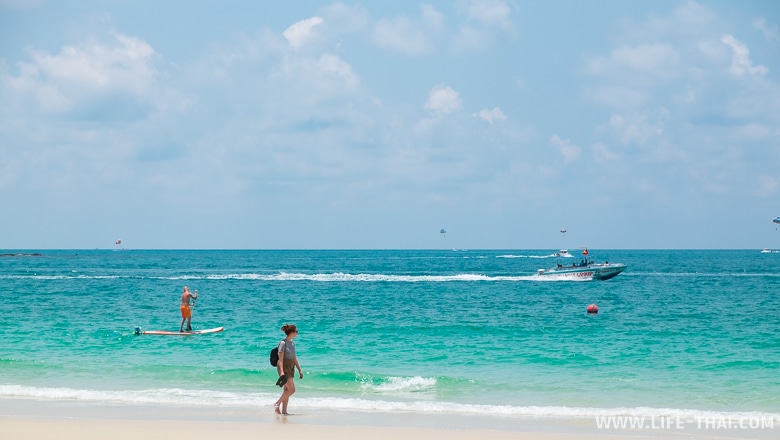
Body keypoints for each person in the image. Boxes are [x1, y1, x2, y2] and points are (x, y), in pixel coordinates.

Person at [273, 324, 303, 415]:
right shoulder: (283, 343)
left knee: (287, 390)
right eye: (296, 331)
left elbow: (294, 357)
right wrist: (281, 371)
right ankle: (276, 404)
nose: (297, 333)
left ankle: (284, 411)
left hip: (291, 366)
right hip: (284, 366)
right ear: (292, 332)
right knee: (292, 390)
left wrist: (299, 369)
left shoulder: (293, 343)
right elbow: (281, 359)